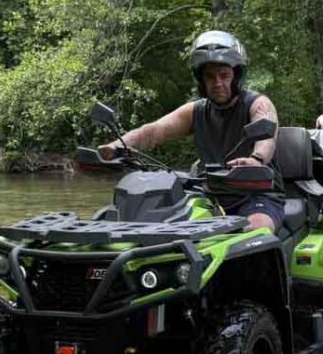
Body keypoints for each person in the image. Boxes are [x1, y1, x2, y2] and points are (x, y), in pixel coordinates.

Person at [99, 30, 284, 232]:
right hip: (208, 194)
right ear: (201, 81)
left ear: (236, 76)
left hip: (256, 195)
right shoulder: (196, 110)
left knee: (256, 230)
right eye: (210, 77)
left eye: (224, 76)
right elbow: (153, 131)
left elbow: (268, 137)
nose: (218, 83)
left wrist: (256, 159)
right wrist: (116, 146)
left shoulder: (257, 104)